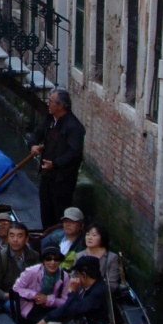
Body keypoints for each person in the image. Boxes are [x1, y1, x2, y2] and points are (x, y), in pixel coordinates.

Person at [30, 89, 86, 231]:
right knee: (45, 212)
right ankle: (47, 239)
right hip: (46, 176)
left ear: (60, 106)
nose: (48, 104)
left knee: (60, 214)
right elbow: (37, 134)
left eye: (51, 102)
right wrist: (32, 145)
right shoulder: (49, 119)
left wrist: (54, 164)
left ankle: (60, 243)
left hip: (63, 180)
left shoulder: (75, 127)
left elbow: (74, 153)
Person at [33, 255, 109, 324]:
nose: (75, 278)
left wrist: (71, 292)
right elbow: (67, 307)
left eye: (77, 275)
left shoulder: (98, 291)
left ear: (84, 275)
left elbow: (74, 309)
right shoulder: (91, 287)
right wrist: (47, 318)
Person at [12, 244, 71, 324]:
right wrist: (35, 295)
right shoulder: (32, 271)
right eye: (48, 258)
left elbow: (65, 301)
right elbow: (16, 288)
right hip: (31, 307)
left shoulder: (65, 276)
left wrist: (48, 300)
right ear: (43, 260)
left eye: (56, 259)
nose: (52, 262)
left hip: (52, 309)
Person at [0, 223, 39, 310]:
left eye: (19, 236)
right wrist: (6, 295)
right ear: (8, 238)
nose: (15, 240)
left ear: (26, 239)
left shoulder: (34, 256)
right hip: (11, 299)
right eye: (12, 236)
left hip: (32, 296)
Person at [73, 220, 121, 291]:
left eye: (94, 235)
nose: (89, 237)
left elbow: (112, 285)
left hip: (101, 296)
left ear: (102, 237)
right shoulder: (79, 256)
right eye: (87, 234)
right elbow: (73, 278)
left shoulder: (112, 258)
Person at [38, 206, 85, 271]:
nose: (67, 224)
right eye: (65, 221)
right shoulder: (54, 236)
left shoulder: (84, 243)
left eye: (72, 222)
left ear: (81, 225)